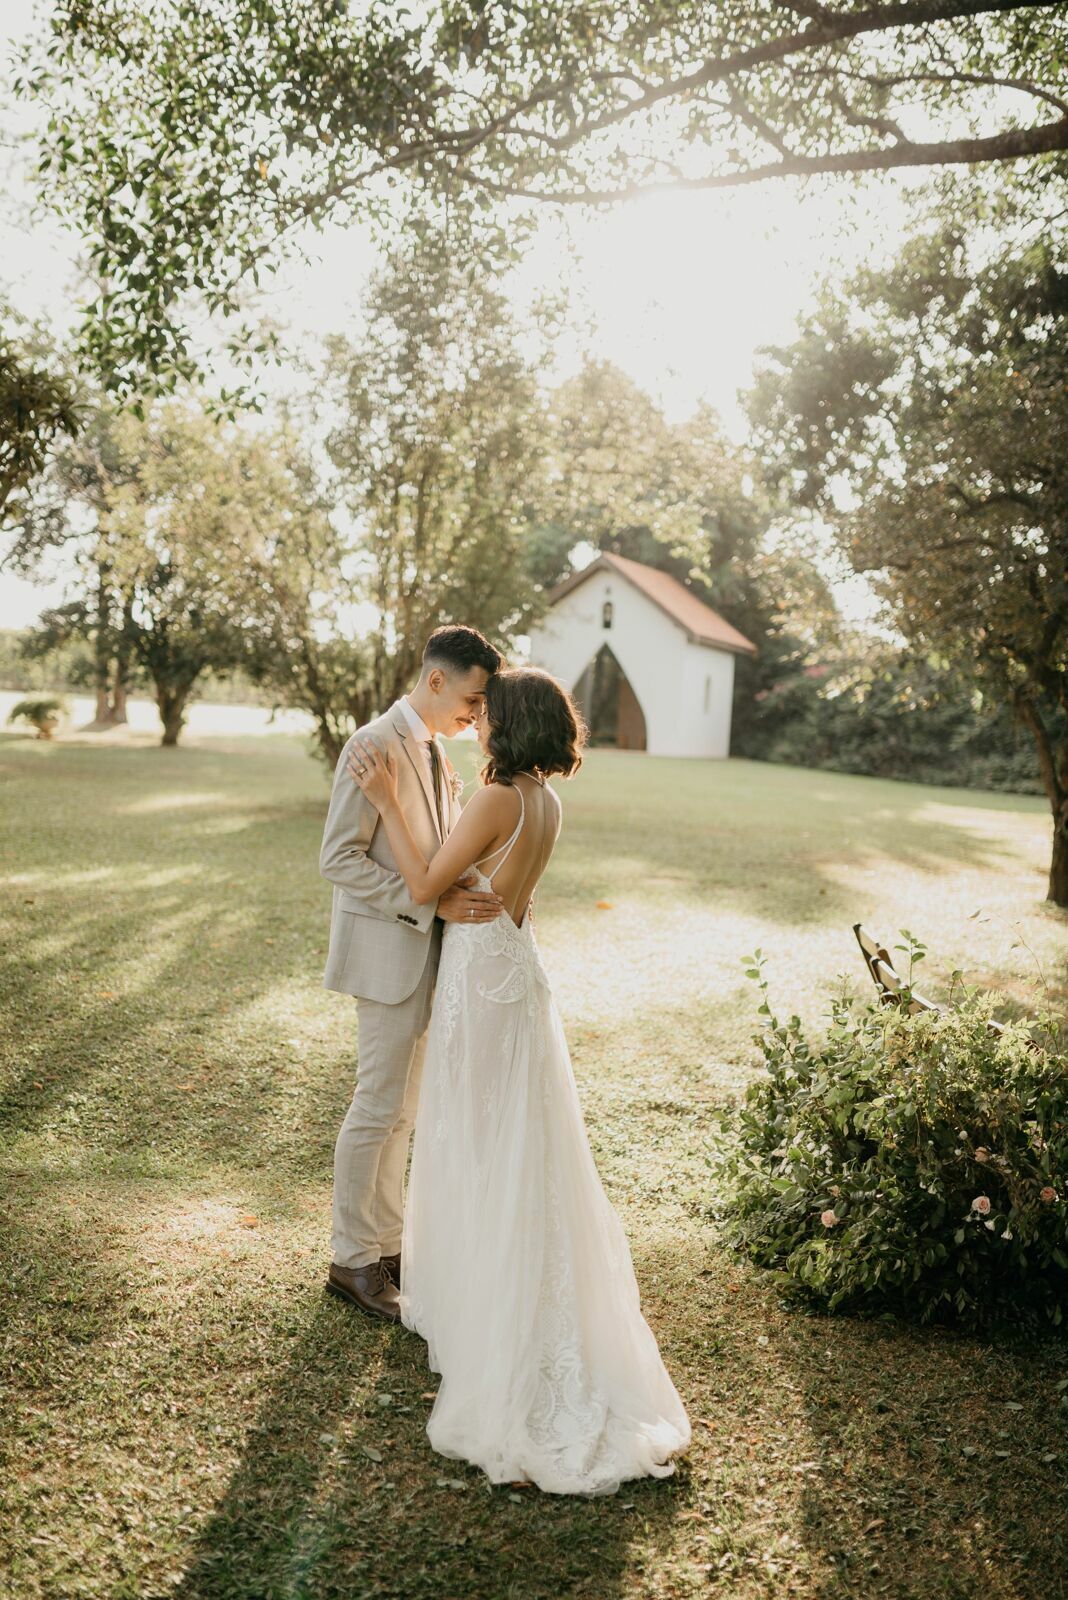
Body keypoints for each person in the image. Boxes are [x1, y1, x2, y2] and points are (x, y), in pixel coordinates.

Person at [346, 665, 691, 1496]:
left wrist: (392, 797)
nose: (479, 724)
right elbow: (501, 890)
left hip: (482, 977)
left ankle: (490, 1314)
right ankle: (505, 1292)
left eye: (488, 715)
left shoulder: (498, 800)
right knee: (513, 1138)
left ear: (511, 723)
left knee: (478, 1135)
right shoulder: (544, 800)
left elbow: (428, 886)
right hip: (514, 964)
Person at [320, 625, 504, 1322]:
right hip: (387, 954)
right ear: (436, 681)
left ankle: (387, 1246)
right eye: (472, 697)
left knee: (404, 1111)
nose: (476, 714)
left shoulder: (434, 753)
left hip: (430, 956)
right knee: (376, 1107)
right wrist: (425, 902)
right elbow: (338, 859)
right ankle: (350, 1260)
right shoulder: (372, 744)